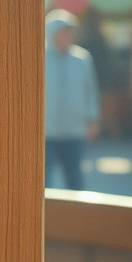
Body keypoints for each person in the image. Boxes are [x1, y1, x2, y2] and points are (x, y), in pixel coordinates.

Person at [44, 10, 100, 191]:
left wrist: (92, 118)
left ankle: (76, 217)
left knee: (75, 179)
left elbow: (91, 91)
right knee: (43, 182)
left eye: (69, 32)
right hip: (46, 132)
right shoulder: (39, 58)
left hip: (74, 130)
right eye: (62, 32)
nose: (67, 37)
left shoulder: (82, 59)